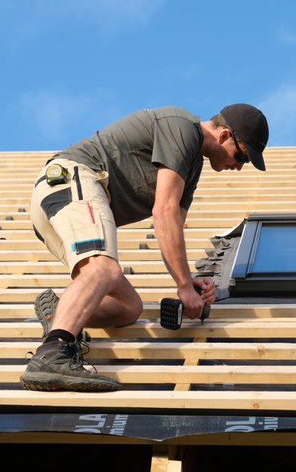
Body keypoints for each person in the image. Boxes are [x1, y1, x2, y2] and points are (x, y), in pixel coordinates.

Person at [20, 103, 269, 392]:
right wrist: (184, 290)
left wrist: (188, 282)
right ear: (225, 135)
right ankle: (53, 352)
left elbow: (172, 225)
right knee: (105, 269)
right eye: (241, 157)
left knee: (129, 307)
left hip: (62, 202)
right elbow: (163, 212)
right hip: (72, 179)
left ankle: (57, 317)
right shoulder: (181, 127)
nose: (238, 166)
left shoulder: (192, 166)